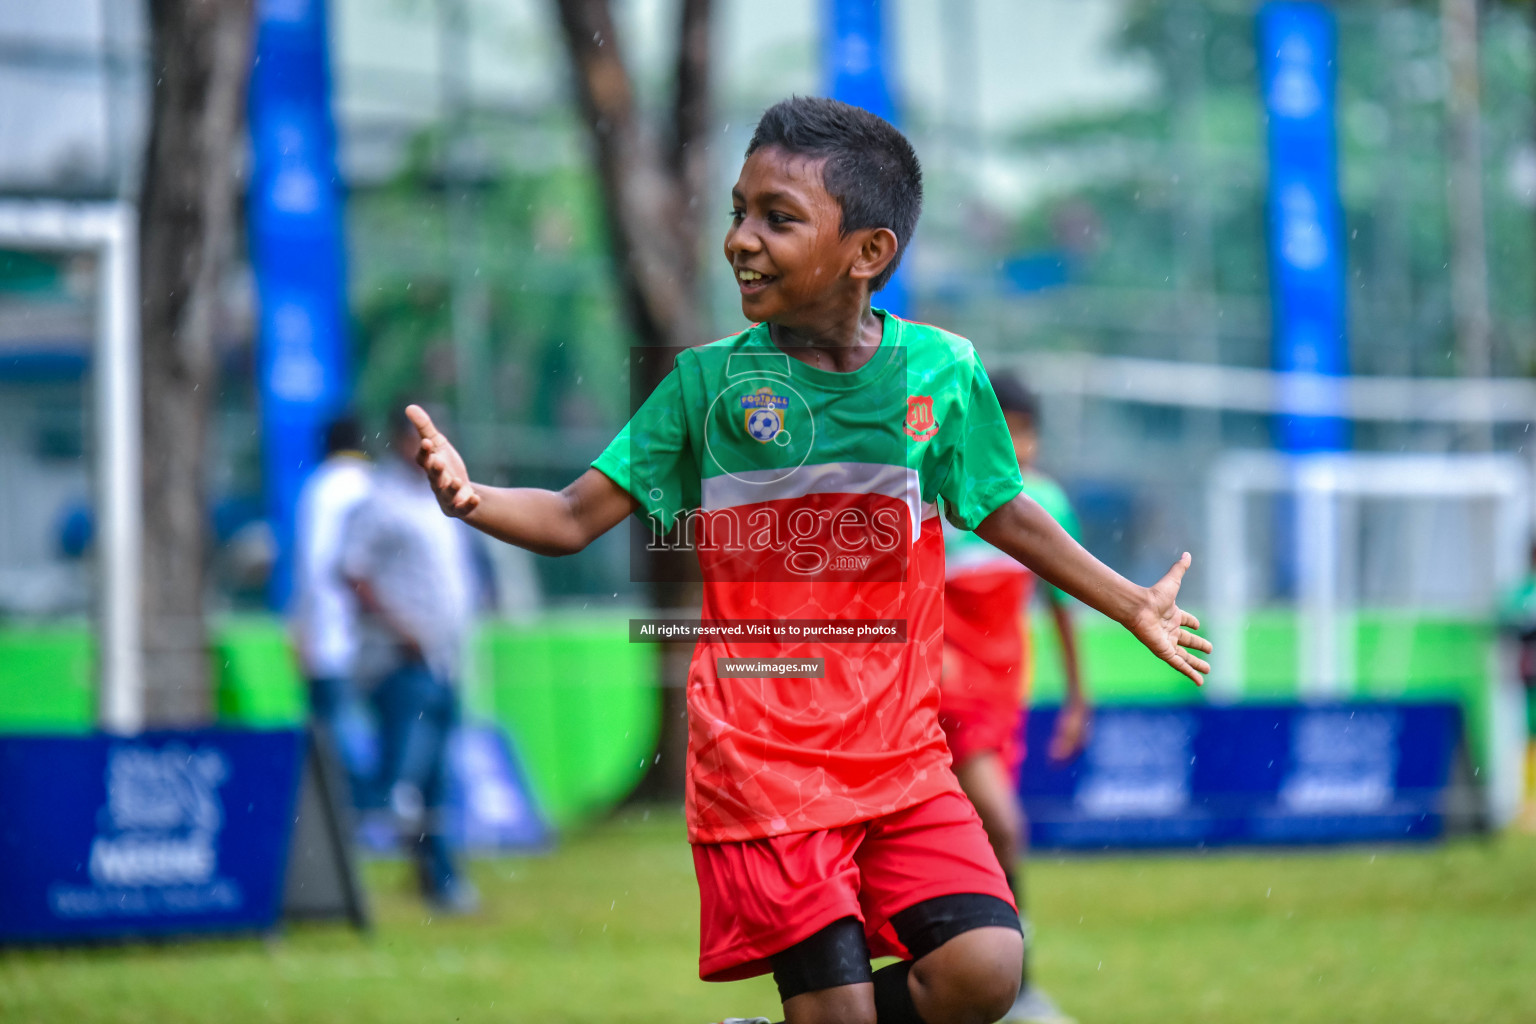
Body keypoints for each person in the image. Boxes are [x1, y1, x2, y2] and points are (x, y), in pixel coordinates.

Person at [407, 96, 1209, 1024]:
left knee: (987, 968)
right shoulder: (706, 385)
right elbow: (570, 515)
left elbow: (1001, 508)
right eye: (738, 212)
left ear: (869, 253)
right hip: (762, 763)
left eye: (777, 218)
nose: (741, 240)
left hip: (902, 757)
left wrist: (1128, 602)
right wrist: (473, 500)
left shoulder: (942, 372)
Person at [938, 375, 1086, 1024]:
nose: (1016, 445)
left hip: (1006, 699)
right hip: (946, 694)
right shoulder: (947, 503)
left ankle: (969, 978)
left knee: (977, 839)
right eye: (1004, 431)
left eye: (1024, 431)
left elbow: (1062, 605)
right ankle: (1017, 990)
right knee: (1003, 826)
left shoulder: (1047, 502)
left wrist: (1079, 697)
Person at [342, 405, 482, 913]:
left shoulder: (434, 496)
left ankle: (441, 884)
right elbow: (352, 572)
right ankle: (322, 868)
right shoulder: (379, 499)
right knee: (393, 780)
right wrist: (401, 630)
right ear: (403, 441)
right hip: (401, 664)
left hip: (443, 660)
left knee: (436, 782)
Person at [290, 412, 373, 804]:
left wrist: (301, 627)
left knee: (332, 736)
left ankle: (345, 820)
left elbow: (313, 565)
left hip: (330, 631)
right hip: (381, 632)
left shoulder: (320, 489)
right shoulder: (377, 484)